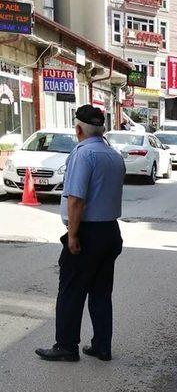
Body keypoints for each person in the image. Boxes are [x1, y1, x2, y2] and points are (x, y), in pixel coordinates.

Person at [36, 105, 125, 362]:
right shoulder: (114, 155)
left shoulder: (82, 154)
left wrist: (73, 235)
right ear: (103, 128)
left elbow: (76, 199)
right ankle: (102, 346)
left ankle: (66, 346)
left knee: (71, 290)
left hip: (87, 232)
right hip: (110, 231)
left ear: (78, 129)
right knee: (100, 292)